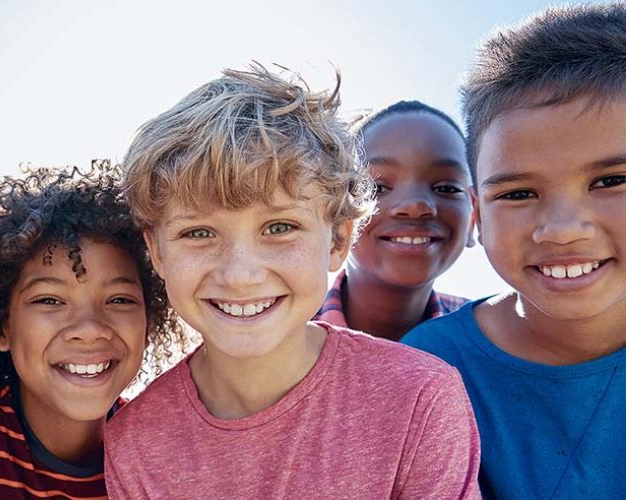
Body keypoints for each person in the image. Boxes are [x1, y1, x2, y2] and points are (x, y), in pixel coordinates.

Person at [105, 64, 481, 498]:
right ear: (156, 251)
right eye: (199, 233)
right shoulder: (134, 442)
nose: (241, 274)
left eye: (279, 227)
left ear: (339, 238)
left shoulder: (420, 397)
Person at [402, 5, 626, 498]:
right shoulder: (426, 370)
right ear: (478, 217)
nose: (563, 230)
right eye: (518, 194)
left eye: (611, 181)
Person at [0, 161, 184, 499]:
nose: (89, 329)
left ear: (149, 320)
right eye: (50, 301)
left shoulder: (163, 452)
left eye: (119, 300)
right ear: (3, 326)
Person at [315, 100, 472, 340]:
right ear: (337, 218)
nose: (415, 206)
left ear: (474, 217)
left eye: (446, 188)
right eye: (376, 188)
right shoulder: (278, 339)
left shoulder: (497, 343)